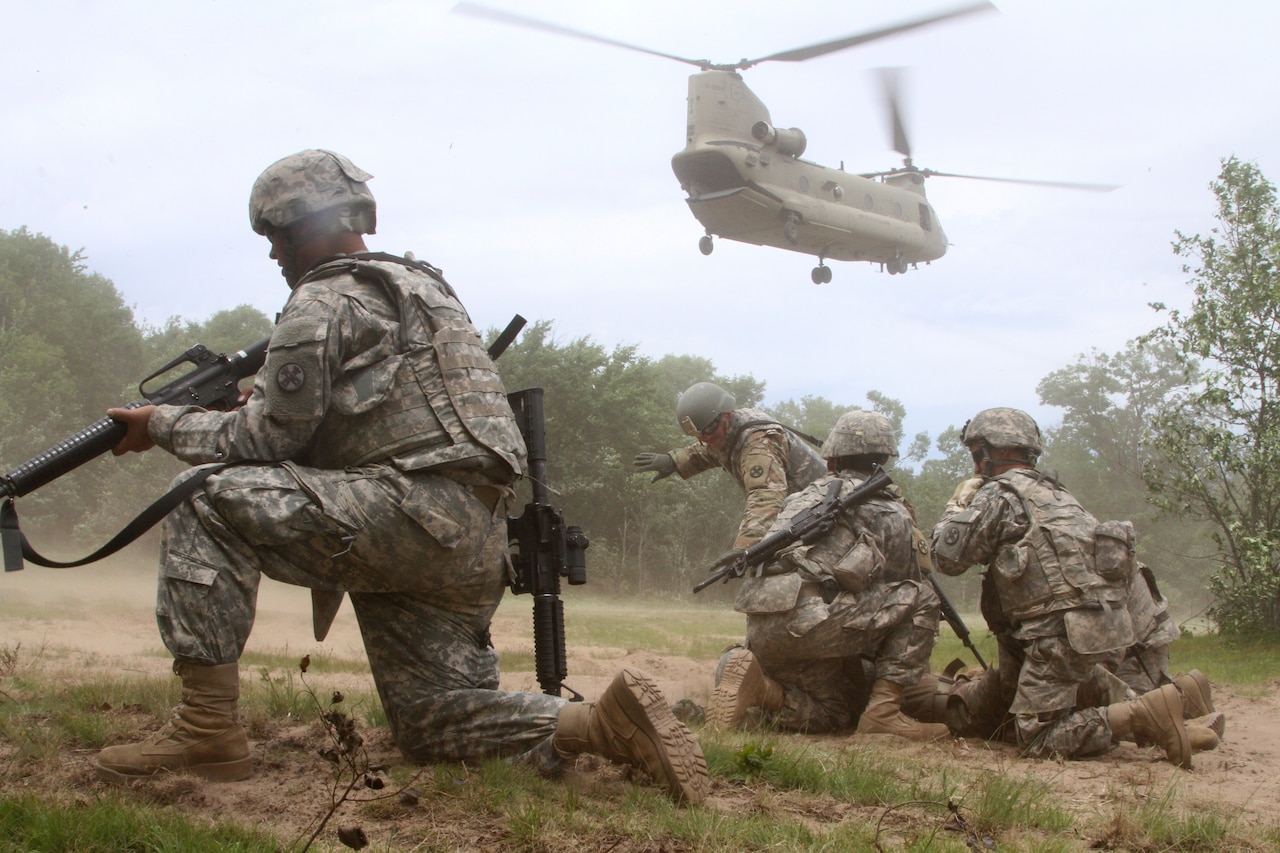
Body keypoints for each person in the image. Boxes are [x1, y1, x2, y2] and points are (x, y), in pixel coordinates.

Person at [95, 149, 709, 804]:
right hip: (472, 536)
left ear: (299, 221)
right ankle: (599, 724)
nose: (273, 253)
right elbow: (376, 418)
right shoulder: (427, 292)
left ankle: (206, 730)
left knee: (202, 496)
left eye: (273, 234)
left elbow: (266, 439)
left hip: (404, 513)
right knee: (432, 718)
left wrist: (161, 423)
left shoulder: (320, 298)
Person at [931, 407, 1193, 768]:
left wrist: (957, 505)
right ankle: (1173, 703)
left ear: (992, 454)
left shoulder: (1000, 495)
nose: (976, 467)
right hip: (1098, 629)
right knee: (997, 712)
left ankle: (1143, 714)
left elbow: (947, 559)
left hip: (1055, 636)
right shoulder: (1057, 494)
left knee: (1036, 737)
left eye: (977, 456)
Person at [707, 410, 949, 740]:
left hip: (765, 628)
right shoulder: (890, 510)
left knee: (833, 712)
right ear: (882, 461)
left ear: (831, 459)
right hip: (815, 627)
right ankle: (884, 713)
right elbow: (904, 593)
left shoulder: (798, 499)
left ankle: (763, 690)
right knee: (922, 597)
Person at [633, 382, 826, 550]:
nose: (706, 438)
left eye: (709, 430)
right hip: (802, 514)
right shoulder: (728, 428)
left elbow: (765, 498)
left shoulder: (758, 443)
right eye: (699, 435)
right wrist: (674, 461)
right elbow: (711, 450)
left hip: (823, 512)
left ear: (725, 414)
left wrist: (745, 548)